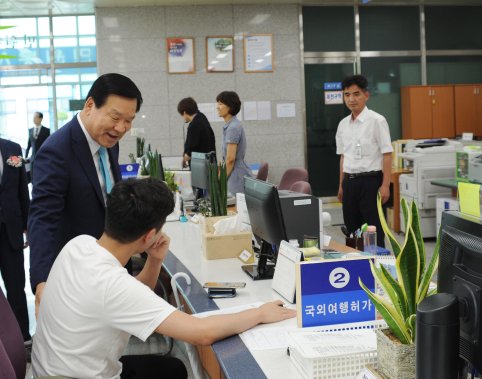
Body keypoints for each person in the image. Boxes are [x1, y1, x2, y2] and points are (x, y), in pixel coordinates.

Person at [32, 177, 296, 378]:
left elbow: (128, 297)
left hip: (48, 371)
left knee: (171, 370)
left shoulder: (79, 245)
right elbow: (201, 333)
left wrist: (155, 260)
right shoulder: (113, 285)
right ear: (149, 236)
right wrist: (260, 313)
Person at [28, 73, 143, 313]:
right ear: (90, 105)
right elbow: (43, 218)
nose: (121, 128)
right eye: (115, 117)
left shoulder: (108, 141)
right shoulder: (56, 151)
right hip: (79, 275)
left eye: (129, 121)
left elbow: (107, 196)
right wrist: (42, 281)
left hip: (112, 267)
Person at [335, 75, 393, 247]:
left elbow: (387, 154)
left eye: (356, 94)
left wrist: (385, 185)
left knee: (373, 231)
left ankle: (376, 270)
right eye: (347, 95)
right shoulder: (343, 124)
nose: (351, 99)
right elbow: (343, 157)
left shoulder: (377, 121)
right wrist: (341, 185)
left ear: (366, 95)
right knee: (352, 231)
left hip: (371, 183)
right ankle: (356, 266)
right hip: (350, 183)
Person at [0, 138, 31, 344]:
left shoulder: (12, 149)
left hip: (10, 230)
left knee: (16, 285)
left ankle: (23, 338)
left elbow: (22, 190)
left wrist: (29, 226)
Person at [178, 97, 216, 199]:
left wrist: (184, 158)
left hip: (201, 168)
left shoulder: (194, 124)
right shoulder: (202, 117)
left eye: (182, 115)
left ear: (185, 112)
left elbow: (191, 149)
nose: (183, 118)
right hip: (209, 164)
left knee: (201, 196)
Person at [216, 91, 253, 195]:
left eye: (220, 104)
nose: (217, 107)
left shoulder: (233, 127)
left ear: (230, 106)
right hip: (233, 172)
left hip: (236, 174)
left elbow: (230, 159)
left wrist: (219, 181)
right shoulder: (230, 125)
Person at [25, 111, 50, 181]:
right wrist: (26, 157)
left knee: (42, 177)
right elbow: (29, 145)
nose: (33, 119)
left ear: (40, 118)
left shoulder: (46, 130)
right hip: (33, 159)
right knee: (32, 177)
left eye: (35, 117)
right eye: (33, 117)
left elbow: (48, 145)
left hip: (43, 158)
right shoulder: (30, 130)